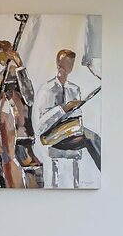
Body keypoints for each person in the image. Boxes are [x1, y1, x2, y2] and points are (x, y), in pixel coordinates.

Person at [36, 49, 101, 187]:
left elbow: (76, 116)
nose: (70, 66)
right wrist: (64, 108)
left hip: (69, 131)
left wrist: (76, 110)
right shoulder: (47, 89)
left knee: (92, 136)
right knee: (91, 137)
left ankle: (105, 169)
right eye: (67, 63)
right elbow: (42, 125)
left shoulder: (74, 89)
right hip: (50, 136)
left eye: (71, 63)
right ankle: (106, 169)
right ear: (58, 64)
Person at [0, 38, 43, 188]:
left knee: (30, 168)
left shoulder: (18, 72)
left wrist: (20, 66)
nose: (1, 60)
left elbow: (29, 97)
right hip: (5, 132)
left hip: (22, 132)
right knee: (9, 171)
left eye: (3, 54)